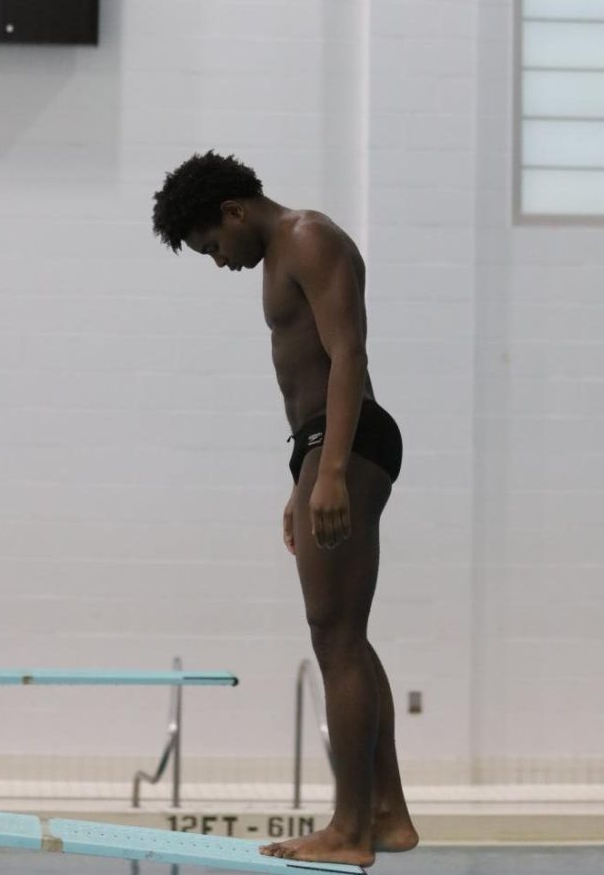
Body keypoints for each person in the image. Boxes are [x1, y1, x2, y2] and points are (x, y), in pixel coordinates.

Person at [152, 151, 419, 866]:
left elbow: (347, 355)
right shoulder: (281, 254)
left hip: (347, 439)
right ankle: (387, 814)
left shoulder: (307, 238)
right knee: (348, 639)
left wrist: (329, 470)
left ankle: (350, 829)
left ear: (234, 212)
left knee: (333, 640)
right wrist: (303, 476)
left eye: (213, 246)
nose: (218, 262)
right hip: (325, 445)